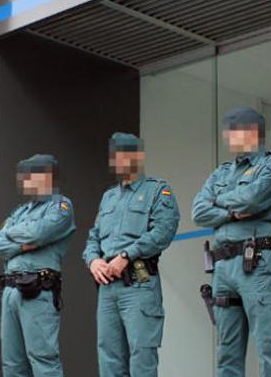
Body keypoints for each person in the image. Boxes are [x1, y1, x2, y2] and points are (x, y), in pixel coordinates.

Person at [192, 107, 271, 376]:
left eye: (232, 131)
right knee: (226, 353)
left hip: (255, 262)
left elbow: (252, 199)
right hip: (222, 267)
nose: (227, 137)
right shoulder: (221, 172)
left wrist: (219, 203)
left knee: (268, 346)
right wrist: (233, 211)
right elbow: (198, 211)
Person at [83, 132, 180, 377]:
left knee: (142, 357)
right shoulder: (108, 197)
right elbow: (93, 237)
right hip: (107, 288)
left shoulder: (157, 190)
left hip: (138, 283)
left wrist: (127, 255)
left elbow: (163, 231)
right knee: (109, 359)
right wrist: (93, 260)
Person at [0, 154, 75, 377]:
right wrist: (23, 245)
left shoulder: (60, 205)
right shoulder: (20, 211)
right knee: (12, 365)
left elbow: (40, 232)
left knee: (43, 361)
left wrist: (13, 236)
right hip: (10, 290)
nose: (25, 180)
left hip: (37, 290)